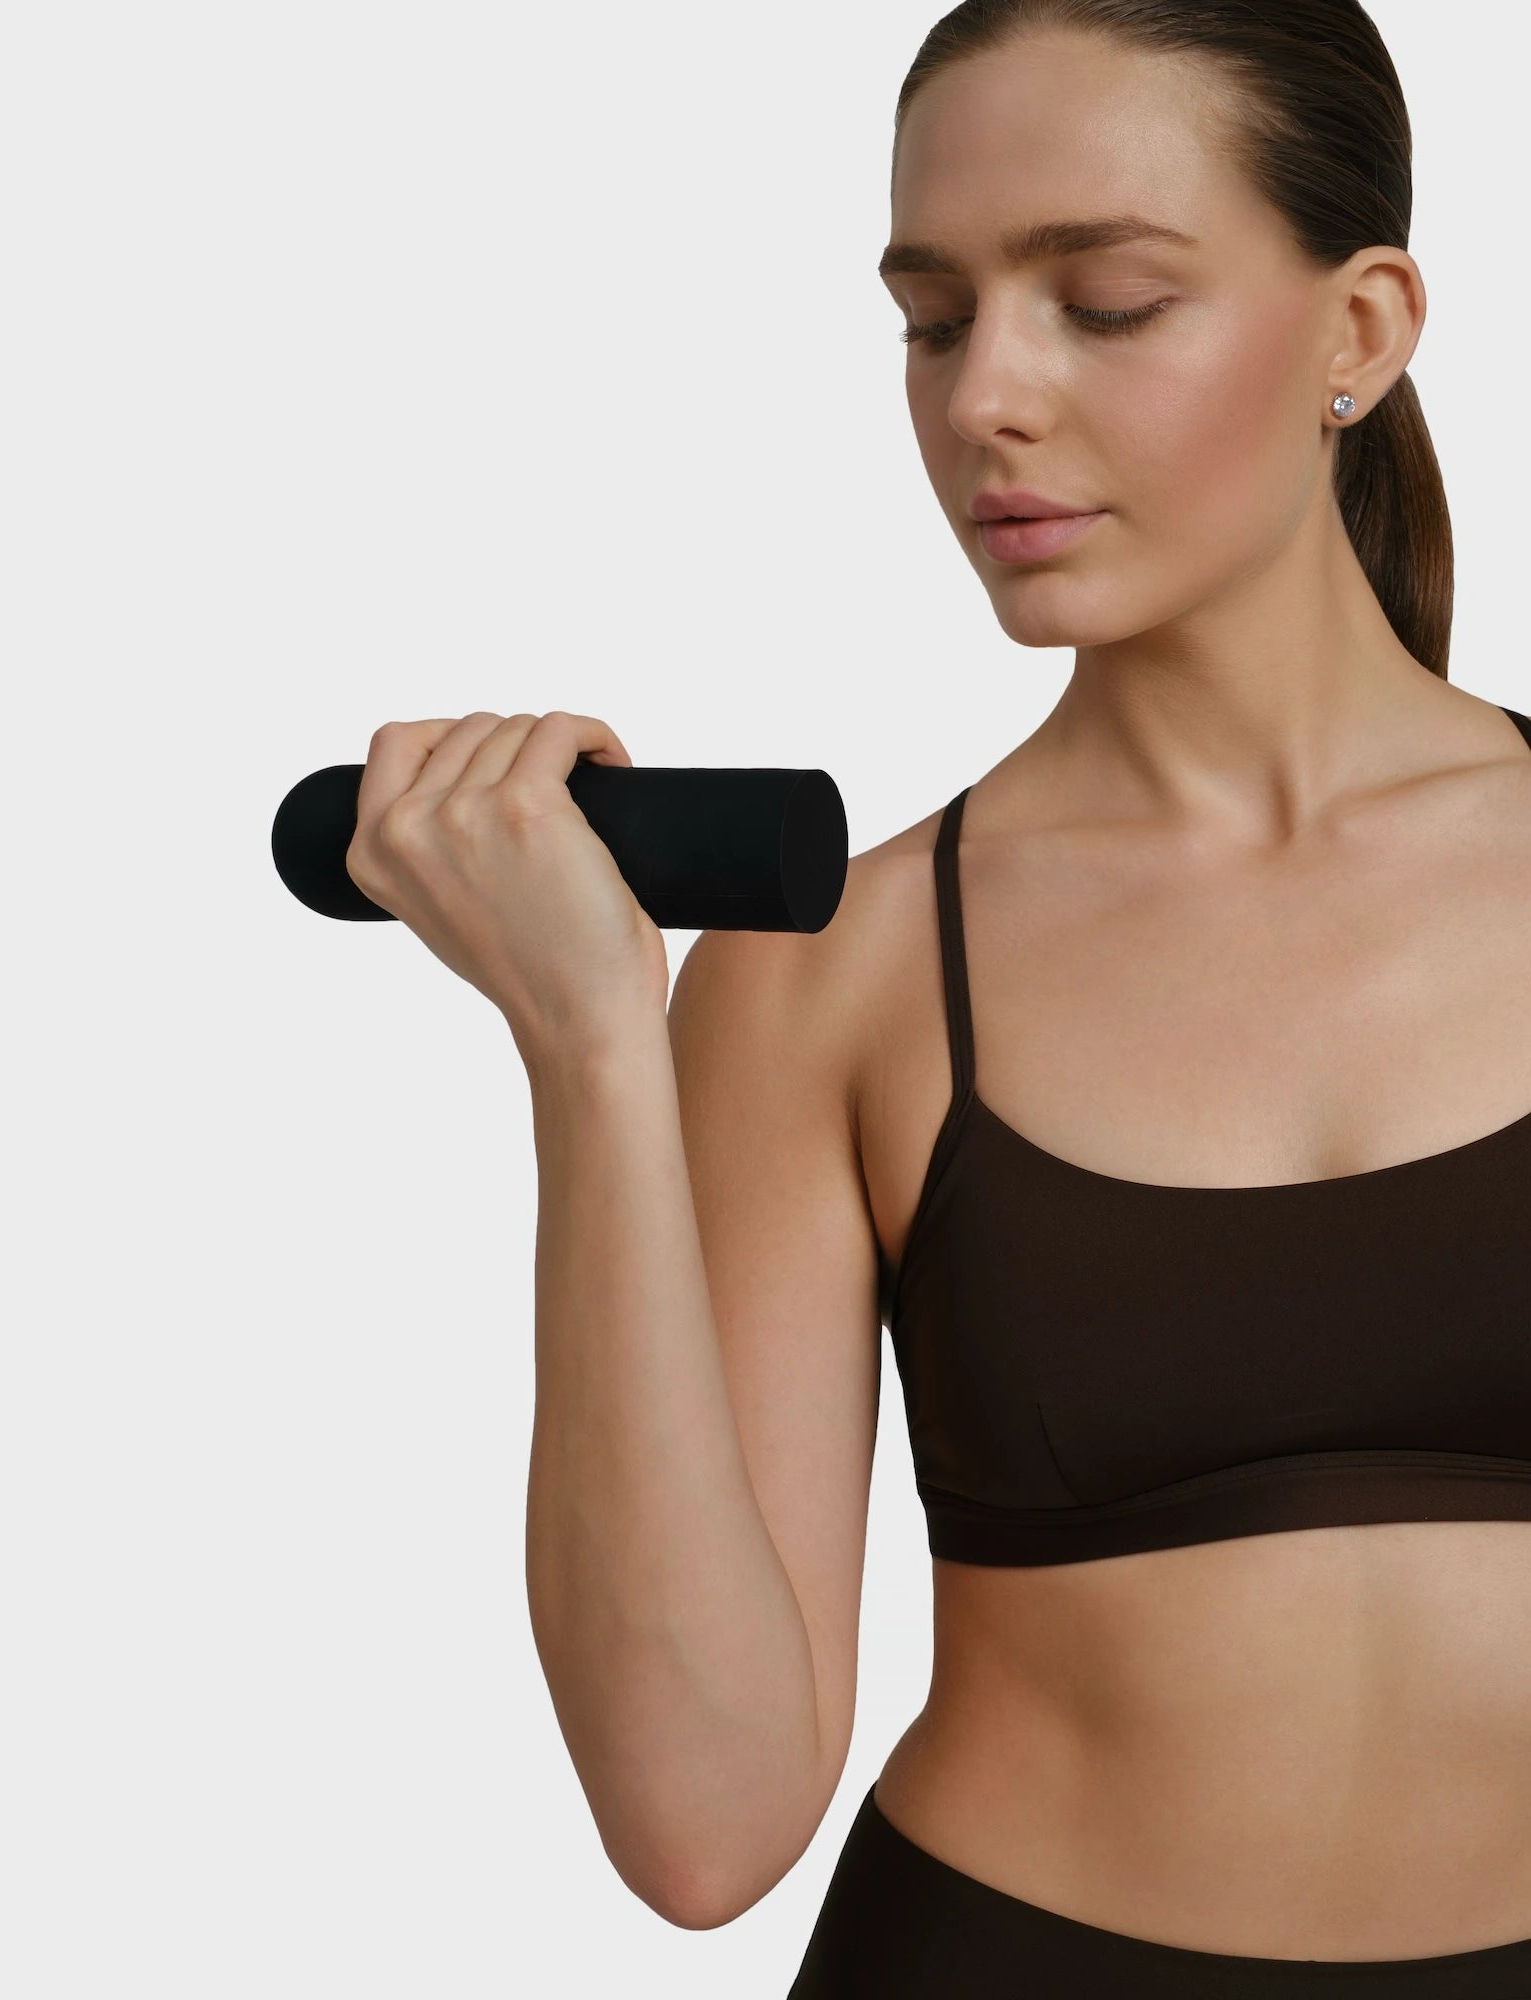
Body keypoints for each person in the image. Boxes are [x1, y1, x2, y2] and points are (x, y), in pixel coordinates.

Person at [347, 2, 1531, 1992]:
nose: (987, 396)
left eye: (1106, 301)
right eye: (931, 317)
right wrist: (589, 1048)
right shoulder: (838, 972)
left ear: (1358, 331)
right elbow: (699, 1820)